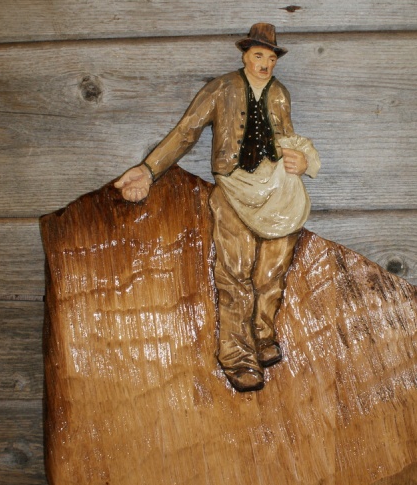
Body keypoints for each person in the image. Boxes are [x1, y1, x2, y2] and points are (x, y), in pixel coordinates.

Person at [115, 23, 320, 393]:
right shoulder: (221, 88)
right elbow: (186, 131)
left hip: (277, 192)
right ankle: (236, 354)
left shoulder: (280, 94)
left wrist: (303, 162)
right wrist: (149, 170)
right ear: (245, 55)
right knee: (234, 273)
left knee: (272, 272)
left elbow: (290, 140)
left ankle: (261, 334)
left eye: (271, 58)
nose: (265, 64)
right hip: (233, 189)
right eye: (259, 55)